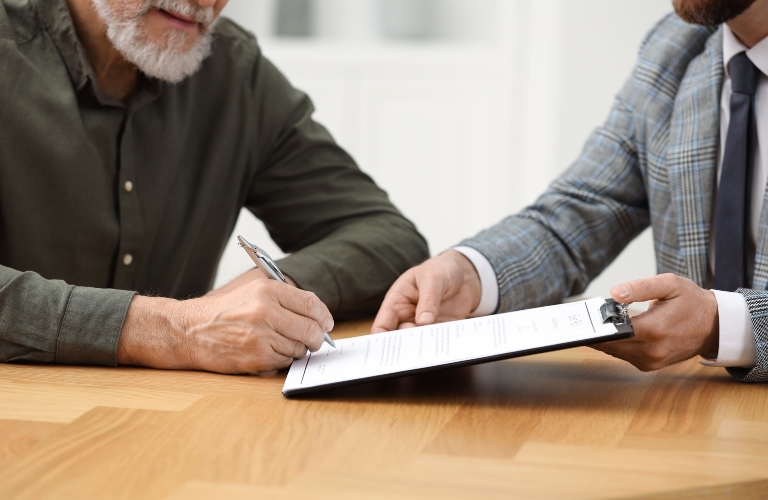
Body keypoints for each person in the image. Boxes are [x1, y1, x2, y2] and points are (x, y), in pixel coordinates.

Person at [0, 0, 428, 374]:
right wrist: (172, 329)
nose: (208, 2)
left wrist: (274, 289)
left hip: (173, 419)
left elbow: (388, 236)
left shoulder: (234, 70)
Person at [374, 0, 768, 383]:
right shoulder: (676, 47)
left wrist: (724, 324)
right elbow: (580, 214)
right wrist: (471, 273)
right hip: (689, 406)